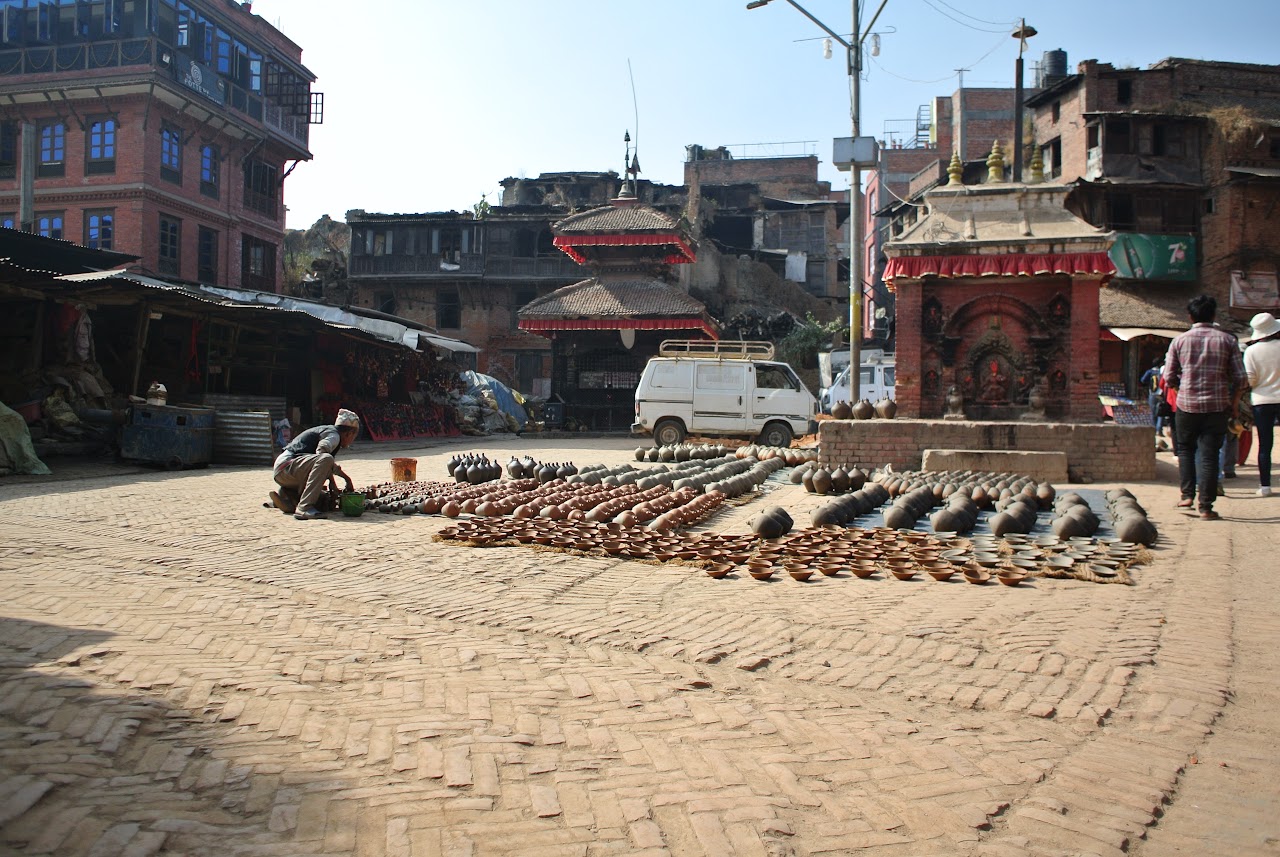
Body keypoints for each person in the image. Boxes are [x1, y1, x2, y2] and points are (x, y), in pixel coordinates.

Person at [1163, 295, 1247, 520]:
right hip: (1217, 406)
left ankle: (1187, 495)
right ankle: (1206, 506)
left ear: (1190, 316)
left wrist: (1182, 392)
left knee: (1186, 450)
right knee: (1210, 454)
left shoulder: (1179, 341)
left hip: (1187, 406)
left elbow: (1169, 376)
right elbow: (1241, 378)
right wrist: (1235, 402)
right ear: (1213, 315)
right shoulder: (1228, 341)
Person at [270, 408, 359, 520]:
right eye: (354, 437)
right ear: (349, 433)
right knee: (327, 458)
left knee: (323, 499)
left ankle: (288, 496)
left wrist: (333, 481)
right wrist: (345, 479)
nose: (352, 440)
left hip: (285, 472)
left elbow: (323, 464)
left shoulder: (328, 432)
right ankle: (304, 508)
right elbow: (322, 455)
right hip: (288, 466)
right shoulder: (334, 436)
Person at [1244, 312, 1280, 497]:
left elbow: (1250, 379)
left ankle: (1265, 486)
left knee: (1265, 445)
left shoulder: (1251, 351)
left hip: (1261, 401)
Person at [1140, 357, 1168, 450]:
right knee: (1161, 412)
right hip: (1161, 394)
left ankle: (1154, 428)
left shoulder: (1149, 372)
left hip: (1152, 394)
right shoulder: (1162, 371)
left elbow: (1143, 380)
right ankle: (1159, 429)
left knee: (1153, 412)